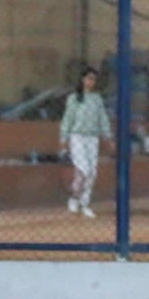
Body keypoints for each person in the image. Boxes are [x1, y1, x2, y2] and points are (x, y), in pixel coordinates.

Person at [60, 65, 111, 219]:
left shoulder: (96, 99)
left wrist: (107, 135)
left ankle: (81, 202)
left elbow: (103, 117)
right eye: (89, 78)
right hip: (78, 137)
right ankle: (78, 200)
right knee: (83, 169)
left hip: (92, 137)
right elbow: (68, 118)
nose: (91, 82)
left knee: (92, 172)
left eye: (94, 79)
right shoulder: (74, 98)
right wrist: (64, 137)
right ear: (82, 80)